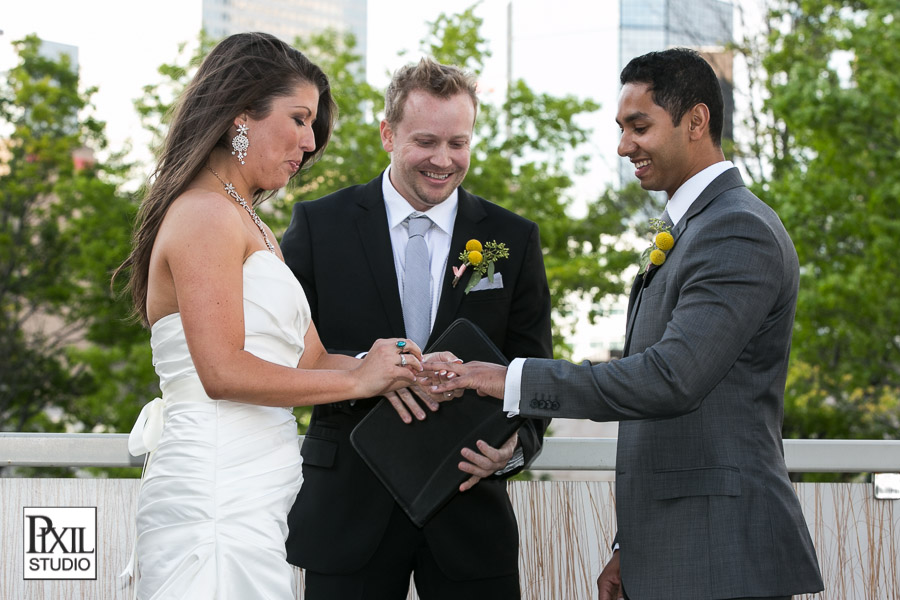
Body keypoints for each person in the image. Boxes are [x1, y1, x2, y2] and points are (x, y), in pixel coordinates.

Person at [429, 48, 825, 600]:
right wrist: (631, 544)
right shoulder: (696, 227)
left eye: (640, 127)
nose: (623, 146)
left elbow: (669, 379)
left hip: (721, 557)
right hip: (678, 546)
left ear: (696, 121)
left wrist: (509, 380)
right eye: (621, 128)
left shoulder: (737, 229)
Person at [114, 32, 427, 600]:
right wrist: (358, 379)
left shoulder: (251, 225)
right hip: (214, 491)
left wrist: (398, 364)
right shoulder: (204, 214)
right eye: (300, 119)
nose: (309, 143)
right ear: (242, 116)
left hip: (263, 490)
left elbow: (310, 359)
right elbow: (222, 371)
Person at [279, 57, 553, 599]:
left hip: (469, 508)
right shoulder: (319, 225)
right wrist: (368, 369)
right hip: (348, 509)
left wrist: (516, 448)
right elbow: (285, 350)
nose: (444, 160)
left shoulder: (511, 237)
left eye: (459, 143)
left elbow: (533, 366)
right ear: (388, 133)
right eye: (426, 141)